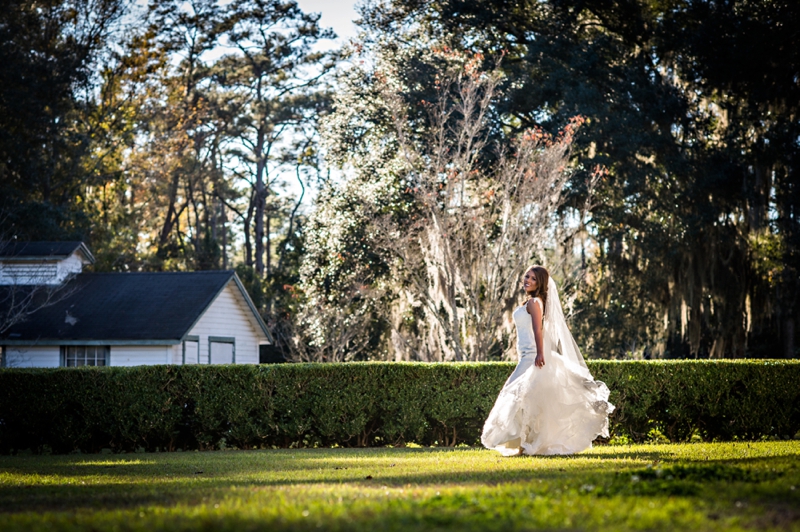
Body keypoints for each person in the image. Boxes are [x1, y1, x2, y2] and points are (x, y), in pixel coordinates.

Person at [481, 265, 614, 456]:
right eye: (526, 276)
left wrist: (540, 354)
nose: (527, 280)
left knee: (514, 396)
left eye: (533, 278)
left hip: (532, 357)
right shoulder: (531, 301)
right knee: (524, 401)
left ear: (540, 282)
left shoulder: (535, 302)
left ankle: (525, 444)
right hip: (525, 355)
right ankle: (524, 444)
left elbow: (537, 329)